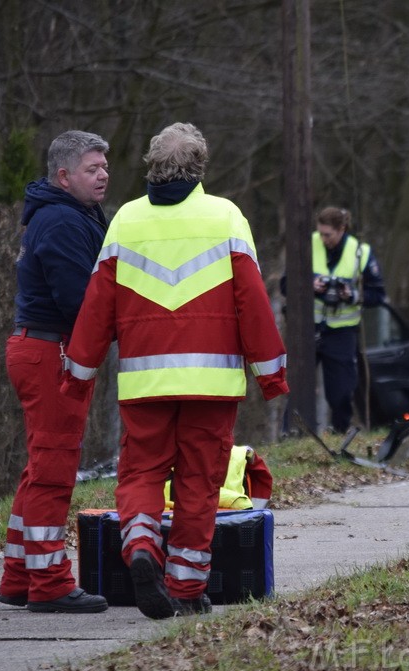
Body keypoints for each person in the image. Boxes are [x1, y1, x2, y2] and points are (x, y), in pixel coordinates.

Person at [60, 122, 289, 619]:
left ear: (152, 165)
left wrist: (77, 372)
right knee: (199, 481)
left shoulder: (124, 221)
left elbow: (97, 306)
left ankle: (141, 547)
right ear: (200, 165)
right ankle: (186, 589)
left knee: (141, 472)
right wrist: (272, 375)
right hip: (211, 383)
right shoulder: (226, 217)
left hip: (145, 383)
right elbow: (252, 302)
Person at [0, 130, 111, 613]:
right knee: (54, 470)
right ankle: (50, 583)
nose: (103, 174)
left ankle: (19, 576)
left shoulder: (64, 214)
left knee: (40, 467)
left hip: (39, 350)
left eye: (105, 166)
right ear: (64, 176)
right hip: (51, 354)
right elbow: (78, 302)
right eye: (92, 168)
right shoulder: (63, 221)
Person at [282, 206, 386, 433]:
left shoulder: (361, 252)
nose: (323, 238)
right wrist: (309, 284)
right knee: (297, 389)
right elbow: (284, 284)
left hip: (342, 333)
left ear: (341, 229)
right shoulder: (308, 244)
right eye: (320, 233)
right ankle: (291, 433)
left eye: (327, 234)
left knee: (340, 393)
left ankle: (340, 433)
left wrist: (351, 295)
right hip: (308, 329)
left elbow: (378, 295)